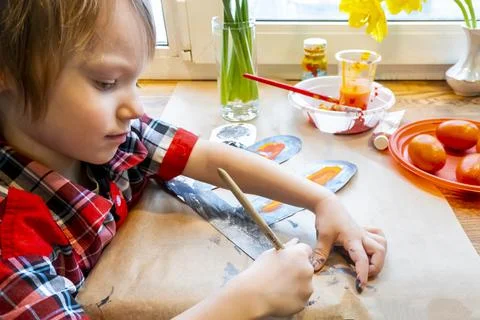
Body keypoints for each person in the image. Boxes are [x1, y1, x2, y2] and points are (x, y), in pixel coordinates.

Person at [0, 0, 387, 319]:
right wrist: (247, 300)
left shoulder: (104, 136)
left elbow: (208, 157)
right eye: (106, 83)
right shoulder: (9, 246)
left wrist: (321, 200)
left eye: (137, 81)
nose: (135, 106)